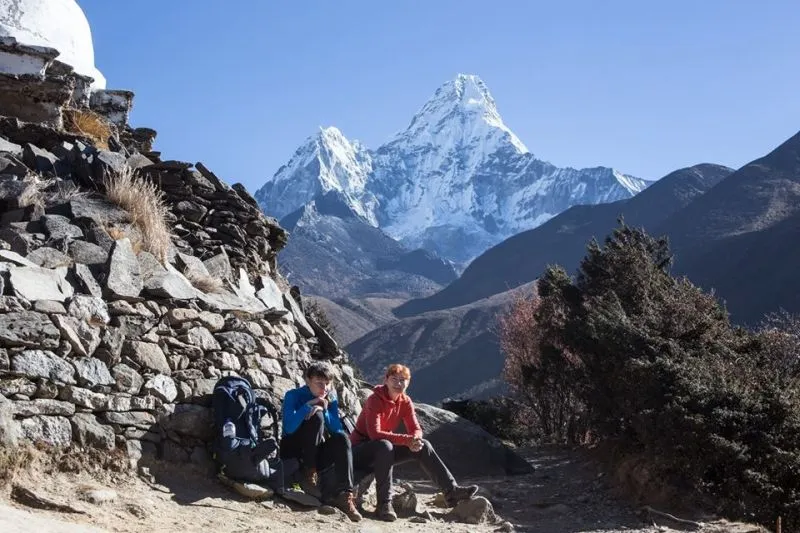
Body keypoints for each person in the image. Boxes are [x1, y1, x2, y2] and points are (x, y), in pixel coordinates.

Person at [350, 364, 479, 522]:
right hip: (360, 450)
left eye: (402, 380)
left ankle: (451, 492)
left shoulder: (405, 401)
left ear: (408, 383)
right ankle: (384, 504)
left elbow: (415, 428)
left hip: (383, 450)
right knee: (385, 445)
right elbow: (374, 434)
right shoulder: (375, 399)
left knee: (424, 446)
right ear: (386, 380)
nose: (398, 384)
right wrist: (406, 440)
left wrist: (415, 440)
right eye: (394, 379)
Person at [281, 362, 362, 521]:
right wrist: (308, 405)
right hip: (293, 451)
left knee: (342, 438)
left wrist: (324, 409)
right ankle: (308, 474)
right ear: (308, 380)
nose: (324, 388)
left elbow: (336, 429)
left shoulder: (330, 398)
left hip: (315, 451)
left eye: (327, 383)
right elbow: (289, 428)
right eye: (319, 383)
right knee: (315, 417)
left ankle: (346, 495)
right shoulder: (293, 395)